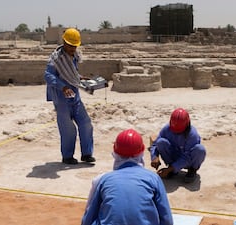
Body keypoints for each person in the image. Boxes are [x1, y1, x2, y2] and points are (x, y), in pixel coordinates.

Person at [81, 129, 173, 225]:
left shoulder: (102, 180)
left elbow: (87, 220)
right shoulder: (153, 179)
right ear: (141, 152)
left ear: (115, 153)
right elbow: (167, 220)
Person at [44, 28, 95, 164]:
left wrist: (80, 78)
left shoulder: (75, 56)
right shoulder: (56, 58)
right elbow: (48, 76)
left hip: (75, 96)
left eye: (75, 46)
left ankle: (87, 154)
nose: (73, 48)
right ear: (64, 43)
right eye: (70, 45)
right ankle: (67, 156)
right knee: (68, 129)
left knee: (86, 124)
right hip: (61, 99)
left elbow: (71, 73)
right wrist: (63, 86)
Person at [149, 108, 206, 183]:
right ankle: (172, 170)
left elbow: (187, 157)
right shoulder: (167, 129)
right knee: (161, 142)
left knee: (200, 149)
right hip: (174, 156)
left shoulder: (192, 135)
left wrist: (169, 169)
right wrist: (155, 157)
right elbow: (155, 144)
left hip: (188, 161)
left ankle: (192, 170)